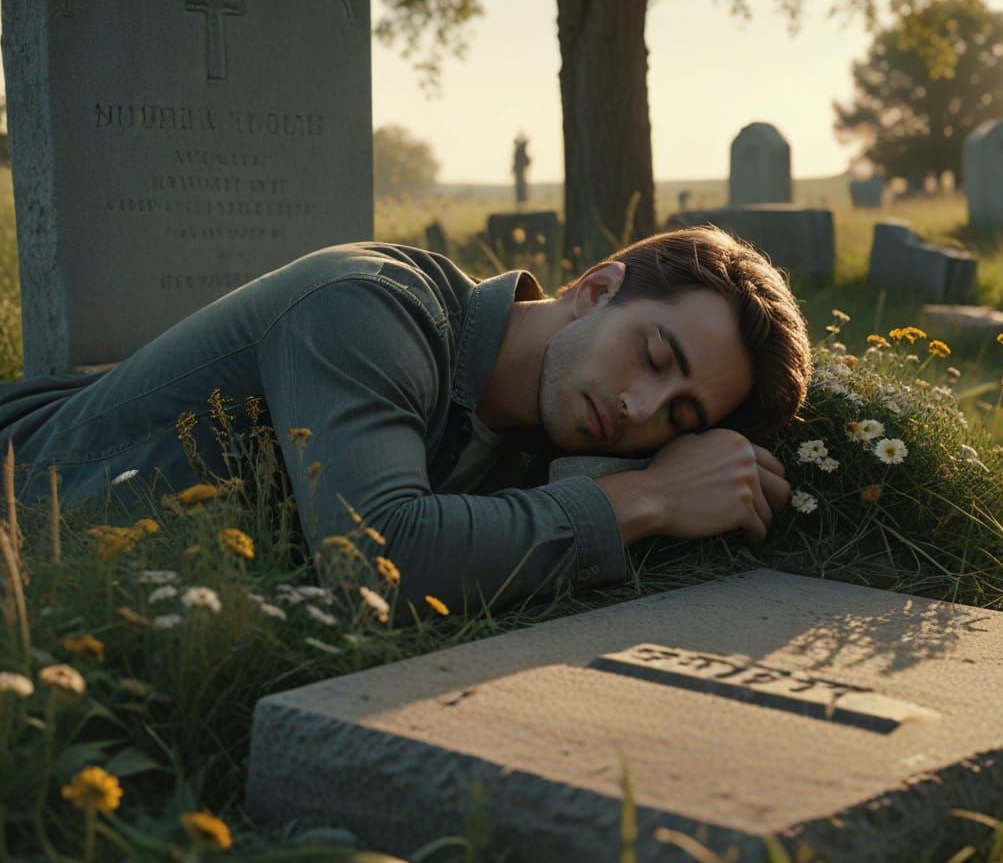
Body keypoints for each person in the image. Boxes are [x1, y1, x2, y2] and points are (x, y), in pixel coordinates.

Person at [0, 226, 811, 617]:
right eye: (655, 356)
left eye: (680, 416)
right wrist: (651, 499)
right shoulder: (371, 308)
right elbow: (379, 561)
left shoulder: (536, 430)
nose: (640, 409)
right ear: (596, 290)